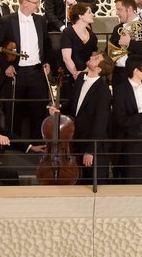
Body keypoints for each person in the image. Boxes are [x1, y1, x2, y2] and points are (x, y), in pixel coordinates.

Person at [0, 0, 50, 143]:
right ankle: (14, 149)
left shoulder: (41, 21)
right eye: (36, 2)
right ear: (25, 3)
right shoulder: (7, 21)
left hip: (37, 73)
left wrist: (47, 62)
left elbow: (46, 45)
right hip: (17, 73)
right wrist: (6, 66)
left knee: (39, 113)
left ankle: (38, 148)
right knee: (14, 113)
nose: (38, 5)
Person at [55, 52, 113, 184]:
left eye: (96, 58)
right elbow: (72, 103)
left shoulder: (104, 91)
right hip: (76, 141)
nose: (92, 57)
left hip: (92, 147)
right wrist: (58, 109)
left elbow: (100, 123)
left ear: (99, 69)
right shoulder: (81, 78)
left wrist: (90, 151)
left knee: (92, 184)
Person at [111, 55, 142, 183]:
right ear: (136, 71)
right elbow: (121, 120)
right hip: (132, 142)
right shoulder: (120, 91)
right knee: (133, 181)